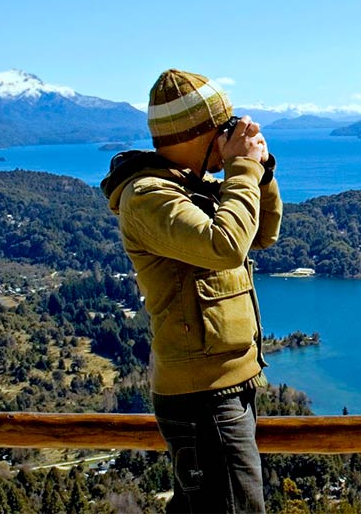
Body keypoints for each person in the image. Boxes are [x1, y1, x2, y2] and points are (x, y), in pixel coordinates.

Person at [101, 69, 282, 513]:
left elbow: (261, 233)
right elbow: (225, 246)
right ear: (197, 133)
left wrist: (259, 172)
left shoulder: (190, 185)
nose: (230, 135)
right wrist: (241, 167)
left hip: (227, 387)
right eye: (223, 128)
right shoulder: (149, 196)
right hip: (204, 398)